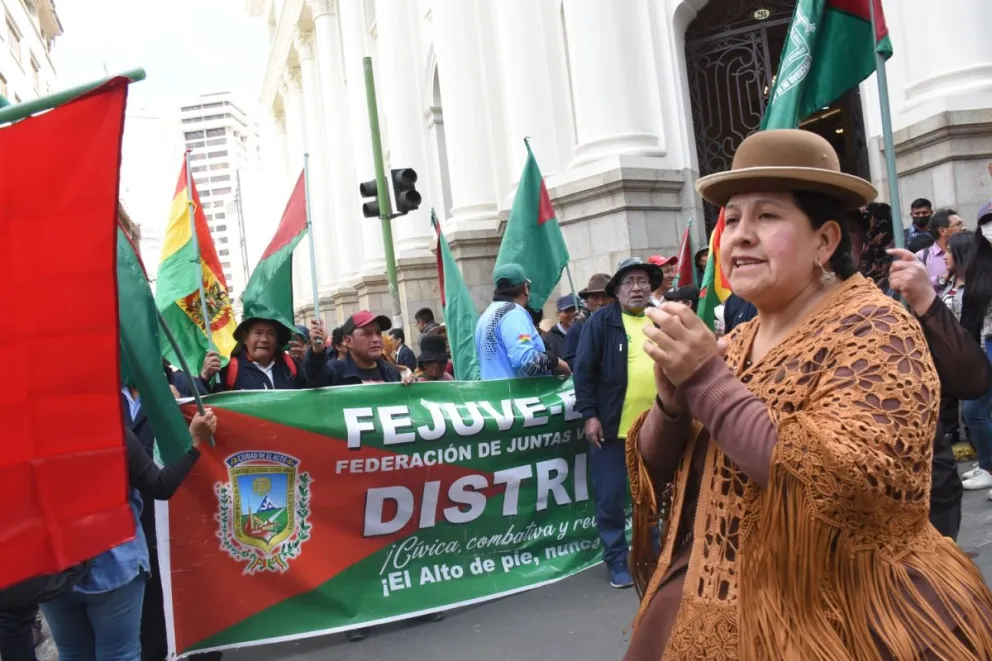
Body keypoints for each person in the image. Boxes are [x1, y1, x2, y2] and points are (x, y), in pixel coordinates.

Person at [624, 129, 992, 660]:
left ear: (824, 242)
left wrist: (705, 378)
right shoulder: (739, 338)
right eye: (731, 220)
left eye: (767, 217)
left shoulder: (877, 327)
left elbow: (841, 479)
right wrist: (674, 402)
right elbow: (657, 469)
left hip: (843, 615)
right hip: (711, 599)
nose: (739, 237)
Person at [42, 412, 216, 661]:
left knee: (72, 652)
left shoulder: (23, 437)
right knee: (119, 654)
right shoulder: (110, 432)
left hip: (50, 568)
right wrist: (195, 443)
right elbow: (160, 485)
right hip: (112, 566)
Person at [574, 256, 663, 589]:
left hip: (657, 428)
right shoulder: (601, 323)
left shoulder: (662, 319)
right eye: (629, 282)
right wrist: (590, 415)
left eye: (642, 281)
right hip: (612, 431)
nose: (637, 288)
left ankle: (651, 554)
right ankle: (615, 558)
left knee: (650, 496)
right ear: (618, 290)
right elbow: (583, 373)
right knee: (611, 497)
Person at [888, 244, 988, 540]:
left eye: (768, 216)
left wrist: (924, 298)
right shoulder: (744, 324)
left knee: (976, 412)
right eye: (738, 219)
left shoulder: (876, 316)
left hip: (917, 506)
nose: (742, 238)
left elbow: (971, 381)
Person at [474, 263, 564, 380]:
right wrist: (556, 362)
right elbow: (527, 361)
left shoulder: (485, 316)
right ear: (526, 288)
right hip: (519, 395)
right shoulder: (513, 313)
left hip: (496, 395)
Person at [959, 200, 992, 494]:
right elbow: (970, 316)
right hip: (987, 344)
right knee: (974, 410)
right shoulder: (979, 268)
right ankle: (988, 465)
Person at [199, 317, 307, 391]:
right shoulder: (228, 369)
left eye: (271, 333)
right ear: (245, 338)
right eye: (258, 333)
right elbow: (207, 408)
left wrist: (311, 359)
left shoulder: (291, 366)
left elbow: (315, 393)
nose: (264, 339)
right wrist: (204, 379)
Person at [306, 311, 407, 386]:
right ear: (348, 341)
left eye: (378, 333)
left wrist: (411, 389)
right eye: (367, 334)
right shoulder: (335, 371)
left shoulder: (391, 372)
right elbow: (314, 379)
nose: (376, 339)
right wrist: (317, 350)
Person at [563, 274, 613, 370]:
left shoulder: (625, 322)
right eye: (595, 297)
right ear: (587, 303)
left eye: (605, 296)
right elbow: (570, 362)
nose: (601, 302)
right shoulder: (577, 329)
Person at [917, 208, 966, 290]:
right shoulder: (922, 257)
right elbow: (916, 287)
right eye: (958, 225)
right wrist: (939, 280)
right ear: (942, 231)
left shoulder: (969, 252)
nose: (963, 228)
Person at [543, 295, 577, 362]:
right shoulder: (548, 339)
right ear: (558, 314)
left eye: (575, 309)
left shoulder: (585, 333)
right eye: (567, 311)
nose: (572, 314)